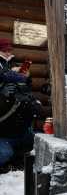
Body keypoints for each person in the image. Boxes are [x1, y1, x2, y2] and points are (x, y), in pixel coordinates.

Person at [0, 38, 39, 172]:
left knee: (37, 144)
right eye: (4, 50)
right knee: (4, 154)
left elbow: (26, 86)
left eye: (8, 50)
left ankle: (16, 159)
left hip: (19, 127)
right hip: (2, 130)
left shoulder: (13, 64)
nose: (7, 52)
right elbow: (5, 75)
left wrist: (26, 78)